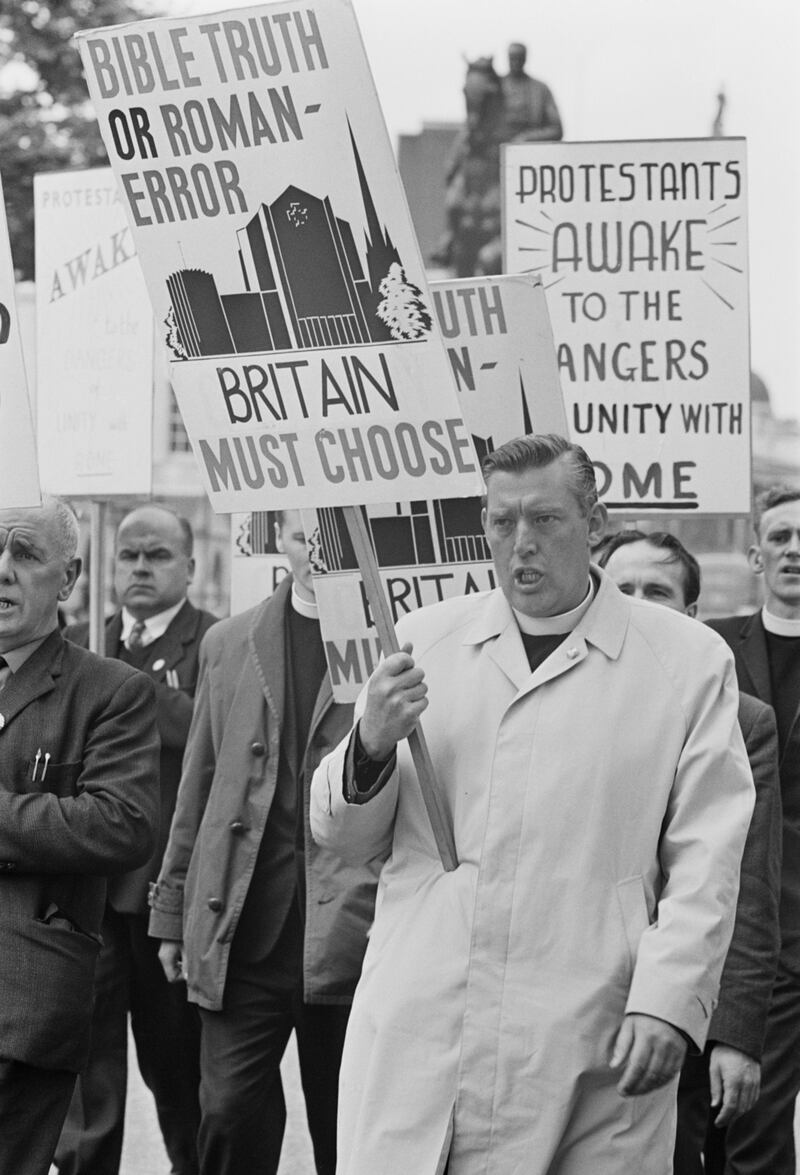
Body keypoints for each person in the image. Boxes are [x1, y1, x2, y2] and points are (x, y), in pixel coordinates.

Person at [310, 433, 755, 1175]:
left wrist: (668, 998)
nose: (521, 544)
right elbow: (344, 837)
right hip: (427, 1022)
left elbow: (708, 858)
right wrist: (372, 742)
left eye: (545, 519)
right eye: (501, 521)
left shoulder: (686, 662)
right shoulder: (424, 641)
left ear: (595, 521)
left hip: (588, 1027)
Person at [149, 509, 382, 1175]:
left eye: (333, 536)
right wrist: (172, 914)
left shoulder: (394, 641)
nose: (318, 551)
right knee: (226, 1111)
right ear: (283, 539)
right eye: (308, 535)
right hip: (243, 924)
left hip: (349, 932)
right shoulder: (230, 640)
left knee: (348, 1123)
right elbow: (197, 786)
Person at [598, 530, 782, 1175]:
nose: (640, 602)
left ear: (691, 612)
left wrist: (734, 1034)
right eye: (623, 589)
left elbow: (746, 886)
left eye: (659, 590)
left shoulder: (743, 720)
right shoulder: (543, 699)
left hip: (674, 1013)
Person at [56, 506, 218, 1175]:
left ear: (190, 565)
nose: (141, 568)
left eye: (157, 555)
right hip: (91, 892)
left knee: (176, 1069)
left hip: (163, 896)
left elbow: (202, 731)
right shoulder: (88, 646)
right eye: (129, 556)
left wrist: (116, 682)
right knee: (87, 1072)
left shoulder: (215, 642)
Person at [0, 496, 158, 1175]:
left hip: (24, 1005)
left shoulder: (109, 691)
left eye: (24, 554)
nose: (1, 570)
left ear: (68, 578)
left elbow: (120, 823)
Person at [706, 485, 800, 1175]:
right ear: (756, 554)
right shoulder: (709, 647)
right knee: (752, 1131)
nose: (796, 550)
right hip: (764, 927)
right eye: (781, 537)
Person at [501, 41, 563, 142]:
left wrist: (527, 138)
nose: (516, 62)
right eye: (512, 58)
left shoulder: (540, 89)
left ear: (525, 59)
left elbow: (556, 129)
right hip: (496, 151)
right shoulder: (495, 88)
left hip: (530, 151)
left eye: (519, 58)